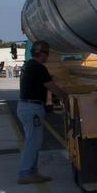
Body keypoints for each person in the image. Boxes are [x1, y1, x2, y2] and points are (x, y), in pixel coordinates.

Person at [16, 41, 67, 185]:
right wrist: (66, 97)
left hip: (27, 106)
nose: (47, 57)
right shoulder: (38, 67)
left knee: (33, 140)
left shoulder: (30, 65)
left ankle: (32, 172)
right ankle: (25, 173)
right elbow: (51, 86)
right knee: (33, 142)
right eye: (46, 53)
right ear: (41, 53)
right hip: (32, 108)